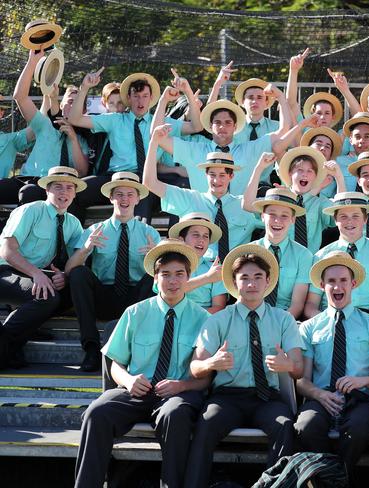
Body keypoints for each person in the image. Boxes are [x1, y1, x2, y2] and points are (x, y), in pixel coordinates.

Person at [74, 240, 211, 488]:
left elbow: (206, 377)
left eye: (179, 274)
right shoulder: (135, 313)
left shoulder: (204, 319)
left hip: (178, 394)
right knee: (97, 412)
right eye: (165, 274)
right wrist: (128, 380)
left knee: (175, 414)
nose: (172, 281)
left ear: (188, 277)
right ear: (155, 279)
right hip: (137, 389)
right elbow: (115, 363)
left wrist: (181, 386)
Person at [184, 244, 304, 487]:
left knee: (285, 426)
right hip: (227, 397)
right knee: (206, 424)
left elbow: (299, 368)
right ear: (234, 282)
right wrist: (211, 363)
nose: (251, 284)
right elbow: (195, 369)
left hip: (267, 398)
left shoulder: (283, 319)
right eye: (244, 278)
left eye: (258, 277)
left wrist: (287, 364)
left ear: (267, 281)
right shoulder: (217, 321)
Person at [295, 251, 369, 480]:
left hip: (361, 399)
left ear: (353, 283)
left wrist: (363, 381)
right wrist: (319, 395)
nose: (338, 287)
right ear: (321, 285)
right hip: (322, 398)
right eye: (331, 281)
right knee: (306, 425)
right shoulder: (309, 328)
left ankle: (337, 480)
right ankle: (326, 478)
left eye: (343, 280)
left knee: (358, 428)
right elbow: (302, 380)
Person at [69, 69, 200, 221]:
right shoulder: (115, 119)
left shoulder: (161, 122)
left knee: (180, 186)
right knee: (72, 191)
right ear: (129, 98)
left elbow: (196, 127)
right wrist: (84, 87)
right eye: (136, 96)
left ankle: (175, 242)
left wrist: (187, 91)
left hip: (148, 178)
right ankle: (73, 240)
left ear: (151, 98)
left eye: (145, 96)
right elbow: (75, 119)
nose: (140, 101)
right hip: (116, 178)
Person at [66, 172, 160, 371]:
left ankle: (139, 351)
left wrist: (154, 258)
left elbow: (164, 275)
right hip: (104, 296)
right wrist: (86, 249)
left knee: (156, 274)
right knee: (78, 274)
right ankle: (91, 348)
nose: (124, 199)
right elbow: (69, 269)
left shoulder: (149, 233)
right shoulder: (95, 230)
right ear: (111, 197)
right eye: (119, 194)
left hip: (136, 300)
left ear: (138, 198)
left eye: (129, 194)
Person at [0, 167, 84, 369]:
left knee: (73, 292)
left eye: (69, 188)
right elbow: (7, 252)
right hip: (6, 272)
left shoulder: (73, 223)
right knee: (47, 296)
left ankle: (11, 342)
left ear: (74, 193)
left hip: (34, 275)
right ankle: (5, 344)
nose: (64, 192)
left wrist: (63, 275)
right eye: (58, 187)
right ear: (47, 190)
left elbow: (74, 261)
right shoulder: (30, 210)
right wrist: (37, 274)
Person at [144, 124, 261, 262]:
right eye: (212, 174)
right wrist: (154, 142)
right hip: (197, 270)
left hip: (234, 273)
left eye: (222, 175)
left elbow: (277, 222)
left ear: (231, 176)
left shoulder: (245, 205)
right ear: (206, 175)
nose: (217, 180)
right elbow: (150, 183)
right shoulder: (190, 199)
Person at [154, 85, 300, 196]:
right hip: (204, 222)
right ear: (210, 126)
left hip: (240, 224)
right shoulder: (196, 150)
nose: (222, 126)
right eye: (217, 122)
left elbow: (283, 130)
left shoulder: (248, 149)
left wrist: (280, 96)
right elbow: (159, 138)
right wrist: (163, 100)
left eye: (228, 122)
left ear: (236, 126)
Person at [1, 50, 88, 205]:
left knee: (28, 194)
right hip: (25, 180)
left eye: (77, 103)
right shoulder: (44, 124)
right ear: (61, 105)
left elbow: (82, 172)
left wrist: (73, 139)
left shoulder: (82, 138)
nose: (72, 106)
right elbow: (20, 97)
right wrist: (32, 61)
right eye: (69, 101)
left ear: (83, 111)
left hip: (51, 188)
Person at [305, 192, 369, 322]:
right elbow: (311, 304)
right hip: (332, 318)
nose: (350, 221)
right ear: (335, 220)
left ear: (365, 219)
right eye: (343, 216)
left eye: (356, 216)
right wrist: (324, 321)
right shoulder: (321, 256)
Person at [246, 186, 314, 319]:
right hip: (252, 316)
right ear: (262, 216)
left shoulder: (304, 255)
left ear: (293, 220)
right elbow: (243, 297)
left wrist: (278, 326)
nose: (277, 220)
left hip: (286, 318)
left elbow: (297, 304)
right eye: (272, 214)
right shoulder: (248, 251)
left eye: (284, 215)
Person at [271, 146, 344, 253]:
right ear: (290, 174)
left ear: (315, 177)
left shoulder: (320, 202)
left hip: (309, 262)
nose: (305, 174)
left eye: (310, 171)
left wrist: (339, 177)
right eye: (300, 170)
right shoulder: (279, 198)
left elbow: (341, 214)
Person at [166, 212, 224, 313]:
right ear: (181, 239)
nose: (201, 240)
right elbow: (167, 292)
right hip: (171, 321)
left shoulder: (214, 268)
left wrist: (194, 321)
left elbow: (219, 307)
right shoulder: (167, 264)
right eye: (196, 235)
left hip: (204, 323)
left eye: (205, 236)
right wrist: (207, 278)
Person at [233, 77, 280, 144]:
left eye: (259, 97)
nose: (254, 101)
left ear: (266, 102)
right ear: (243, 102)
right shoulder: (234, 126)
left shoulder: (276, 127)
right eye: (250, 97)